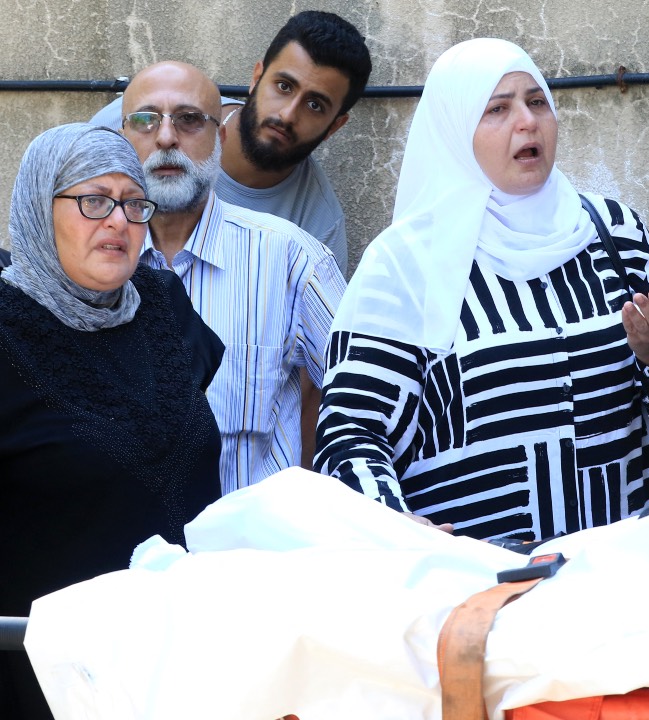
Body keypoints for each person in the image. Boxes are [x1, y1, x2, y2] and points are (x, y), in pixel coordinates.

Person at [316, 38, 649, 542]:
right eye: (497, 109)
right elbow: (351, 433)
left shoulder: (613, 231)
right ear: (455, 133)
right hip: (479, 578)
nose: (527, 121)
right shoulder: (404, 262)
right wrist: (391, 523)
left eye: (537, 101)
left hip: (625, 564)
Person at [0, 123, 223, 719]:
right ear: (38, 209)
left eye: (132, 202)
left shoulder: (163, 304)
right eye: (93, 200)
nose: (119, 221)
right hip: (46, 675)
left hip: (182, 666)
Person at [119, 60, 345, 494]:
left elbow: (364, 399)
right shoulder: (96, 266)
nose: (166, 138)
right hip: (126, 554)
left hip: (251, 554)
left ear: (219, 138)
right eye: (146, 121)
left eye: (188, 120)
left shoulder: (290, 259)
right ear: (123, 139)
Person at [89, 10, 372, 274]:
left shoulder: (318, 227)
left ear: (335, 125)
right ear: (257, 78)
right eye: (284, 87)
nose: (287, 114)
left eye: (315, 105)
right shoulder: (135, 120)